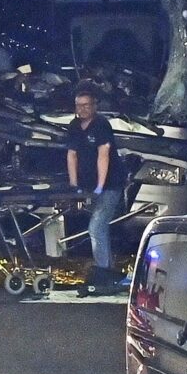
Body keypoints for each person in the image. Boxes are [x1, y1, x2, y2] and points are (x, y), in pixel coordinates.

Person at [66, 83, 125, 293]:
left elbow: (104, 155)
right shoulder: (73, 126)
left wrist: (100, 185)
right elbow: (71, 155)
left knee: (96, 227)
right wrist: (74, 186)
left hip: (111, 184)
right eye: (78, 106)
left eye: (86, 105)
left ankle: (102, 271)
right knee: (100, 229)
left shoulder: (101, 125)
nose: (82, 109)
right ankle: (107, 268)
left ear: (94, 106)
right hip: (88, 184)